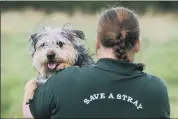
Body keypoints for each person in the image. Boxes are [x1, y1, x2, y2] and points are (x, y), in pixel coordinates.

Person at [23, 7, 170, 118]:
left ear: (98, 43)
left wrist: (28, 90)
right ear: (137, 44)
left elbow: (29, 114)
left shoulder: (60, 79)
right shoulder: (158, 88)